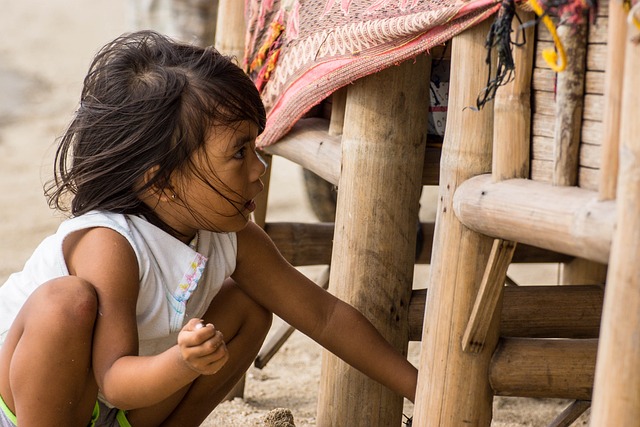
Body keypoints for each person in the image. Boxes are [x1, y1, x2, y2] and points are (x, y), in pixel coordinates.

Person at [0, 30, 417, 427]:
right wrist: (182, 362)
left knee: (248, 306)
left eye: (255, 146)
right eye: (239, 153)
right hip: (30, 407)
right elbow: (116, 380)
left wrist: (425, 391)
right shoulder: (109, 244)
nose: (260, 169)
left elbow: (324, 317)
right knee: (65, 303)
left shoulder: (230, 235)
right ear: (161, 182)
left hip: (112, 409)